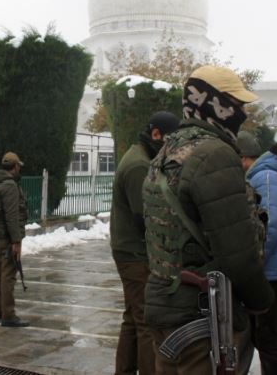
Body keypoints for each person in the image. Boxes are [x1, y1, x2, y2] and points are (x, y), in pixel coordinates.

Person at [143, 66, 273, 374]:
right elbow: (238, 252)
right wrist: (261, 300)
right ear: (215, 104)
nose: (242, 112)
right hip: (199, 310)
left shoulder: (168, 150)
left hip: (165, 300)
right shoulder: (214, 154)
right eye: (236, 103)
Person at [110, 111, 180, 375]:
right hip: (135, 254)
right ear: (156, 135)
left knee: (132, 318)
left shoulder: (141, 157)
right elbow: (146, 218)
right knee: (146, 321)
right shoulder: (140, 165)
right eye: (170, 141)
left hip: (130, 251)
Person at [247, 141, 277, 375]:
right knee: (267, 342)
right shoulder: (266, 175)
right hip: (272, 272)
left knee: (269, 344)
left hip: (270, 274)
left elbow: (271, 224)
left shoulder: (266, 177)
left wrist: (257, 261)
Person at [0, 151, 29, 327]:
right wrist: (16, 241)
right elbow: (12, 216)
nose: (19, 169)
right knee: (8, 275)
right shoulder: (10, 186)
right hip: (9, 237)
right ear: (14, 167)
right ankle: (9, 314)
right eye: (18, 166)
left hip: (0, 235)